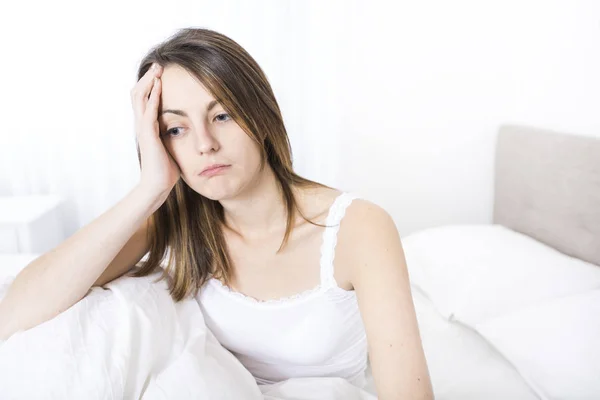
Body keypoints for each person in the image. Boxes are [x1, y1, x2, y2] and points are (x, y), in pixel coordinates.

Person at [0, 28, 433, 399]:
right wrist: (150, 188)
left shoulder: (358, 228)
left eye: (222, 115)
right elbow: (18, 312)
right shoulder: (174, 224)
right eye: (176, 129)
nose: (204, 143)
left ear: (260, 116)